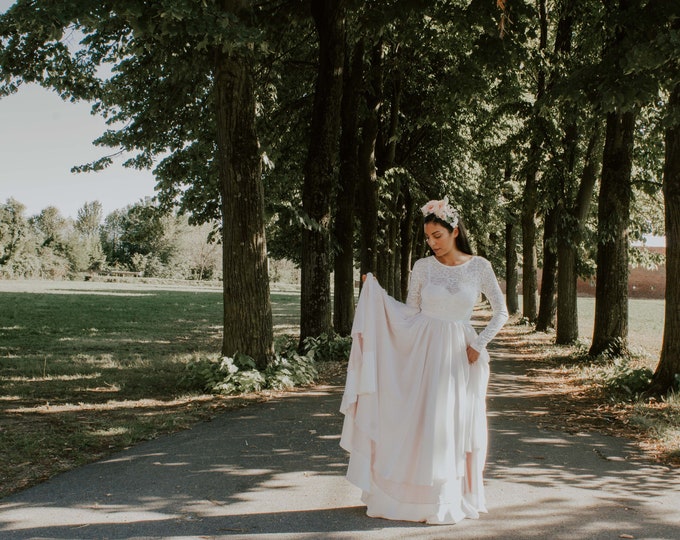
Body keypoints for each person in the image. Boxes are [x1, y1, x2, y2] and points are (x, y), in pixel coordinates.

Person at [340, 196, 509, 524]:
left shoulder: (479, 267)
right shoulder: (422, 267)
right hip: (424, 350)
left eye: (438, 236)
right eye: (428, 238)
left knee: (451, 422)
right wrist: (376, 298)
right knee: (422, 419)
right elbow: (410, 312)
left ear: (454, 231)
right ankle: (410, 499)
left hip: (461, 353)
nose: (432, 244)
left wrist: (480, 342)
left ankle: (447, 498)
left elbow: (501, 312)